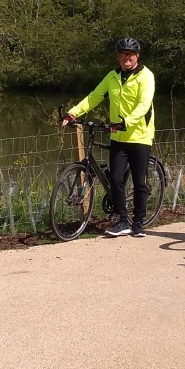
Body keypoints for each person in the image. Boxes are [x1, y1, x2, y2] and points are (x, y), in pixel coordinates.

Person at [61, 37, 156, 237]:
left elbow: (144, 104)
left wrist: (127, 121)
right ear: (118, 57)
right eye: (122, 54)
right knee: (115, 179)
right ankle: (122, 221)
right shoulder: (112, 76)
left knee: (139, 181)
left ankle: (138, 221)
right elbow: (94, 96)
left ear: (137, 56)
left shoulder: (146, 76)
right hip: (118, 137)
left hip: (139, 136)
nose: (125, 58)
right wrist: (73, 113)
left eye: (129, 55)